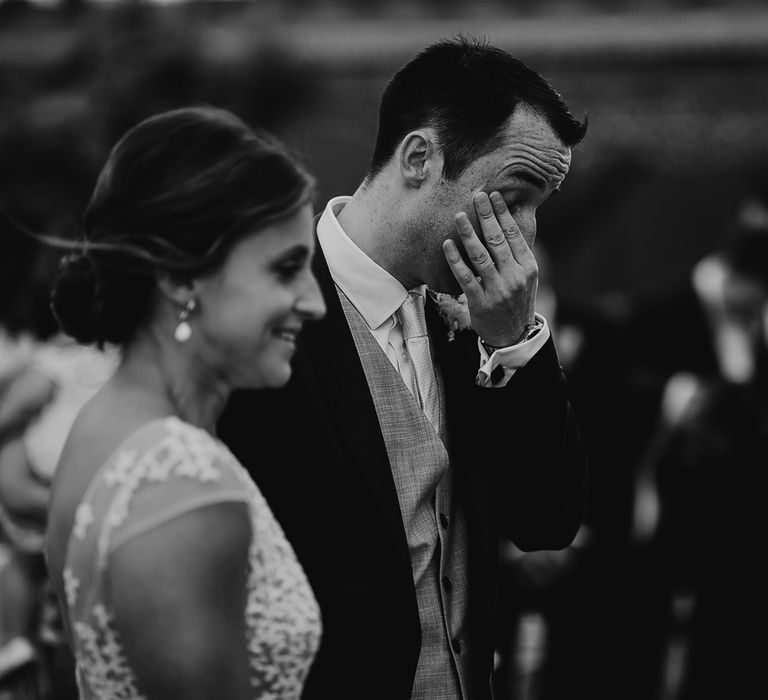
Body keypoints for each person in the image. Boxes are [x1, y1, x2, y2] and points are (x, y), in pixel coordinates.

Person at [218, 35, 589, 700]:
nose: (526, 236)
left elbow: (547, 521)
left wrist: (513, 344)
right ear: (420, 158)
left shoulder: (468, 321)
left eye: (541, 207)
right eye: (515, 194)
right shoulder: (268, 312)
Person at [43, 105, 326, 700]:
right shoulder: (180, 480)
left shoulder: (104, 425)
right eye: (286, 270)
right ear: (178, 276)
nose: (314, 301)